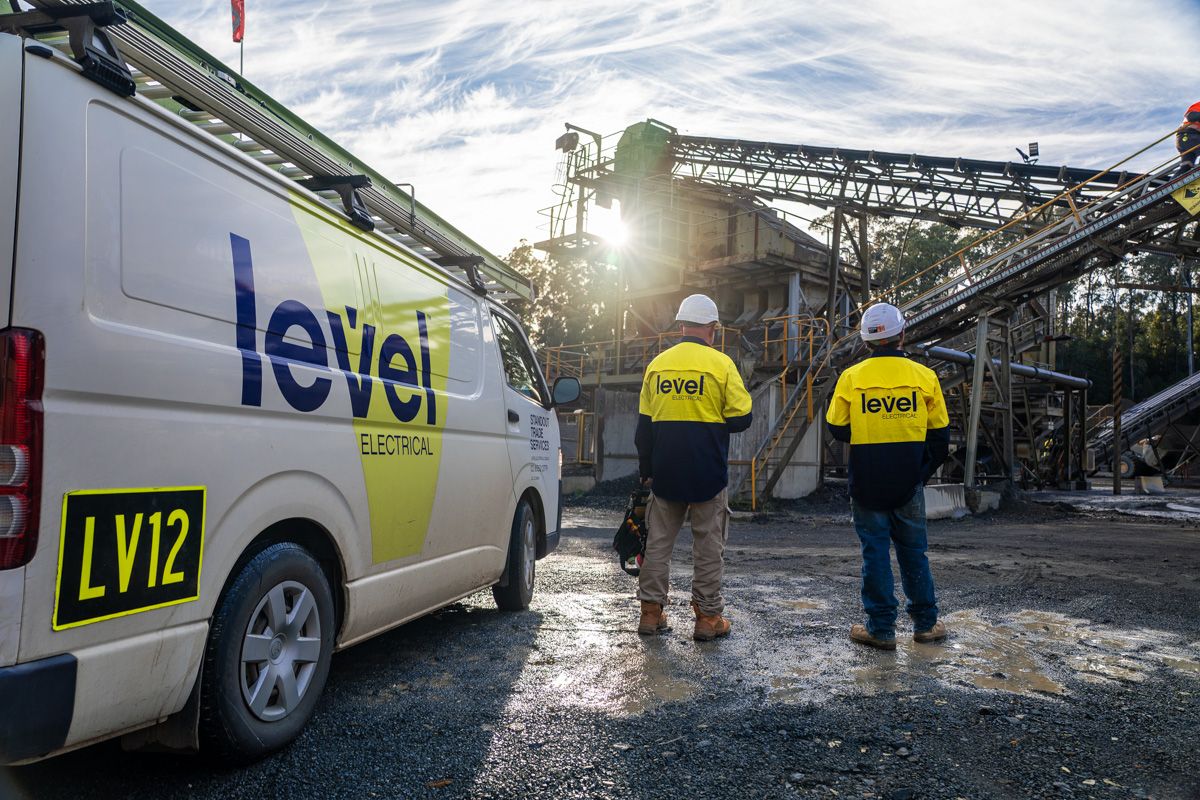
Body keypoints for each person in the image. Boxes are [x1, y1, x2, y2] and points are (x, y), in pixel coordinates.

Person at [825, 303, 950, 651]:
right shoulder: (924, 377)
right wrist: (919, 476)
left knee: (875, 555)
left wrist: (869, 428)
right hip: (908, 483)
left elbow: (836, 428)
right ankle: (926, 625)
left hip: (866, 483)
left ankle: (881, 630)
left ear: (866, 341)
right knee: (914, 554)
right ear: (902, 335)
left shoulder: (851, 378)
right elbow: (941, 441)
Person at [634, 293, 753, 641]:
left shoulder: (658, 365)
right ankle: (707, 618)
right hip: (707, 473)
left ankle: (650, 613)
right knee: (708, 547)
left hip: (665, 471)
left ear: (681, 326)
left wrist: (647, 469)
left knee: (657, 544)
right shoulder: (721, 365)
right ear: (712, 330)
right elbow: (742, 418)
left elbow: (644, 427)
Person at [1177, 101, 1200, 175]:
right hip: (1189, 135)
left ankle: (1173, 183)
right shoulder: (1198, 105)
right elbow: (1191, 116)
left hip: (1188, 139)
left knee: (1186, 166)